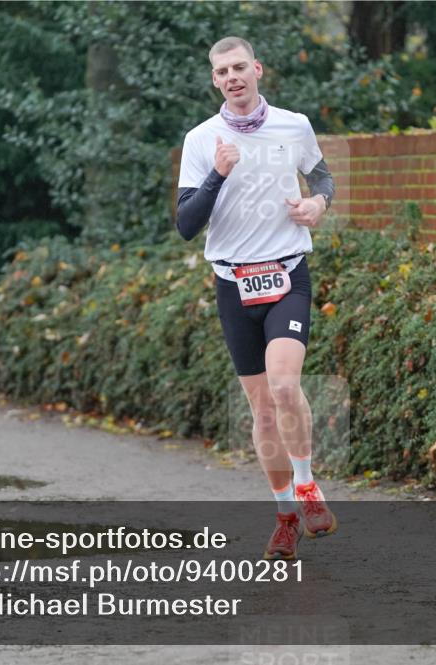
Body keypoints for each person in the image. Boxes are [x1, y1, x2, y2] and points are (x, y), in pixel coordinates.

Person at [175, 36, 337, 560]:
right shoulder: (202, 139)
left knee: (286, 387)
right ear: (215, 81)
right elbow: (185, 224)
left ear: (257, 69)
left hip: (288, 275)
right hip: (233, 283)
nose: (231, 78)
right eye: (222, 72)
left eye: (239, 67)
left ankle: (308, 486)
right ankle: (285, 515)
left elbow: (321, 176)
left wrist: (319, 204)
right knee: (263, 412)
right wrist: (218, 174)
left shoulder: (294, 124)